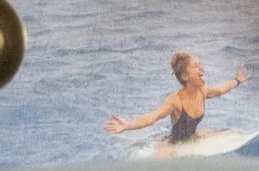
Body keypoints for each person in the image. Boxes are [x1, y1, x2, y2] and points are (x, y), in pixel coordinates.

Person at [102, 51, 247, 151]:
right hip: (172, 144)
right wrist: (127, 125)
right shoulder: (176, 101)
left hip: (192, 137)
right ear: (185, 76)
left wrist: (237, 81)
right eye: (196, 66)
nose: (201, 68)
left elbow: (221, 90)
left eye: (200, 64)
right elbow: (153, 117)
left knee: (233, 134)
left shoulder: (203, 90)